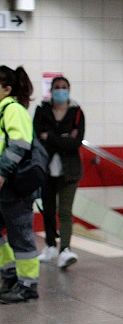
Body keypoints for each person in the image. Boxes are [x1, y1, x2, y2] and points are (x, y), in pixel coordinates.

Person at [33, 76, 85, 269]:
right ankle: (50, 246)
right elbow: (38, 136)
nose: (60, 90)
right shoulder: (42, 111)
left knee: (65, 211)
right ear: (51, 90)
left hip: (69, 170)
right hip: (45, 169)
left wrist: (51, 137)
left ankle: (65, 249)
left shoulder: (77, 112)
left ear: (69, 90)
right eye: (57, 87)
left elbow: (75, 142)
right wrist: (63, 137)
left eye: (64, 87)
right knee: (48, 210)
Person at [0, 66, 40, 303]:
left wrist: (2, 172)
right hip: (5, 186)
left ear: (7, 89)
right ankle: (10, 273)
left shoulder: (13, 110)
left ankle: (28, 284)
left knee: (21, 235)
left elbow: (19, 145)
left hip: (15, 185)